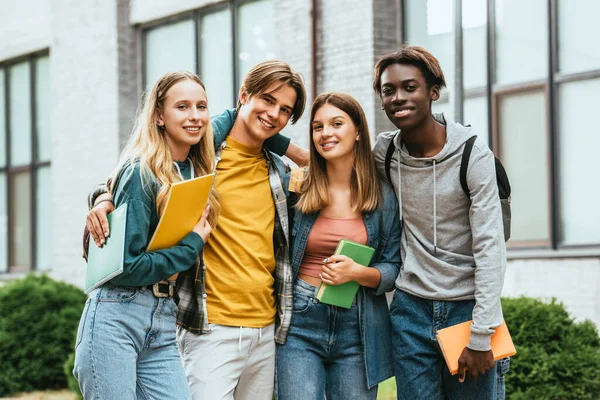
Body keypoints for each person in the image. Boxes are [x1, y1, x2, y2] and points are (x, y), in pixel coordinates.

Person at [85, 60, 307, 400]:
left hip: (264, 330)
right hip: (207, 326)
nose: (274, 113)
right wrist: (102, 197)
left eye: (285, 110)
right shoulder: (207, 156)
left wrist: (299, 153)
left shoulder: (276, 171)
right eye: (266, 99)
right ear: (243, 97)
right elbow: (140, 172)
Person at [371, 45, 508, 399]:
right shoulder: (384, 153)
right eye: (389, 90)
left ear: (433, 93)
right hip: (409, 310)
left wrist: (482, 334)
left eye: (409, 87)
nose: (398, 97)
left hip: (467, 310)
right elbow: (331, 159)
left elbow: (490, 246)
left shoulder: (471, 155)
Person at [74, 71, 218, 399]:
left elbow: (246, 117)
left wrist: (295, 152)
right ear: (159, 116)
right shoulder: (141, 170)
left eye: (202, 106)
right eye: (182, 107)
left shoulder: (191, 169)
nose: (195, 116)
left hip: (162, 316)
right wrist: (193, 244)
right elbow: (127, 267)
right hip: (117, 314)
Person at [276, 93, 401, 400]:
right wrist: (296, 151)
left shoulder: (382, 196)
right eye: (317, 127)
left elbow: (395, 266)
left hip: (358, 326)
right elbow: (260, 134)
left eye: (336, 123)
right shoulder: (299, 189)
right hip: (300, 322)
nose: (326, 133)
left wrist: (360, 273)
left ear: (358, 130)